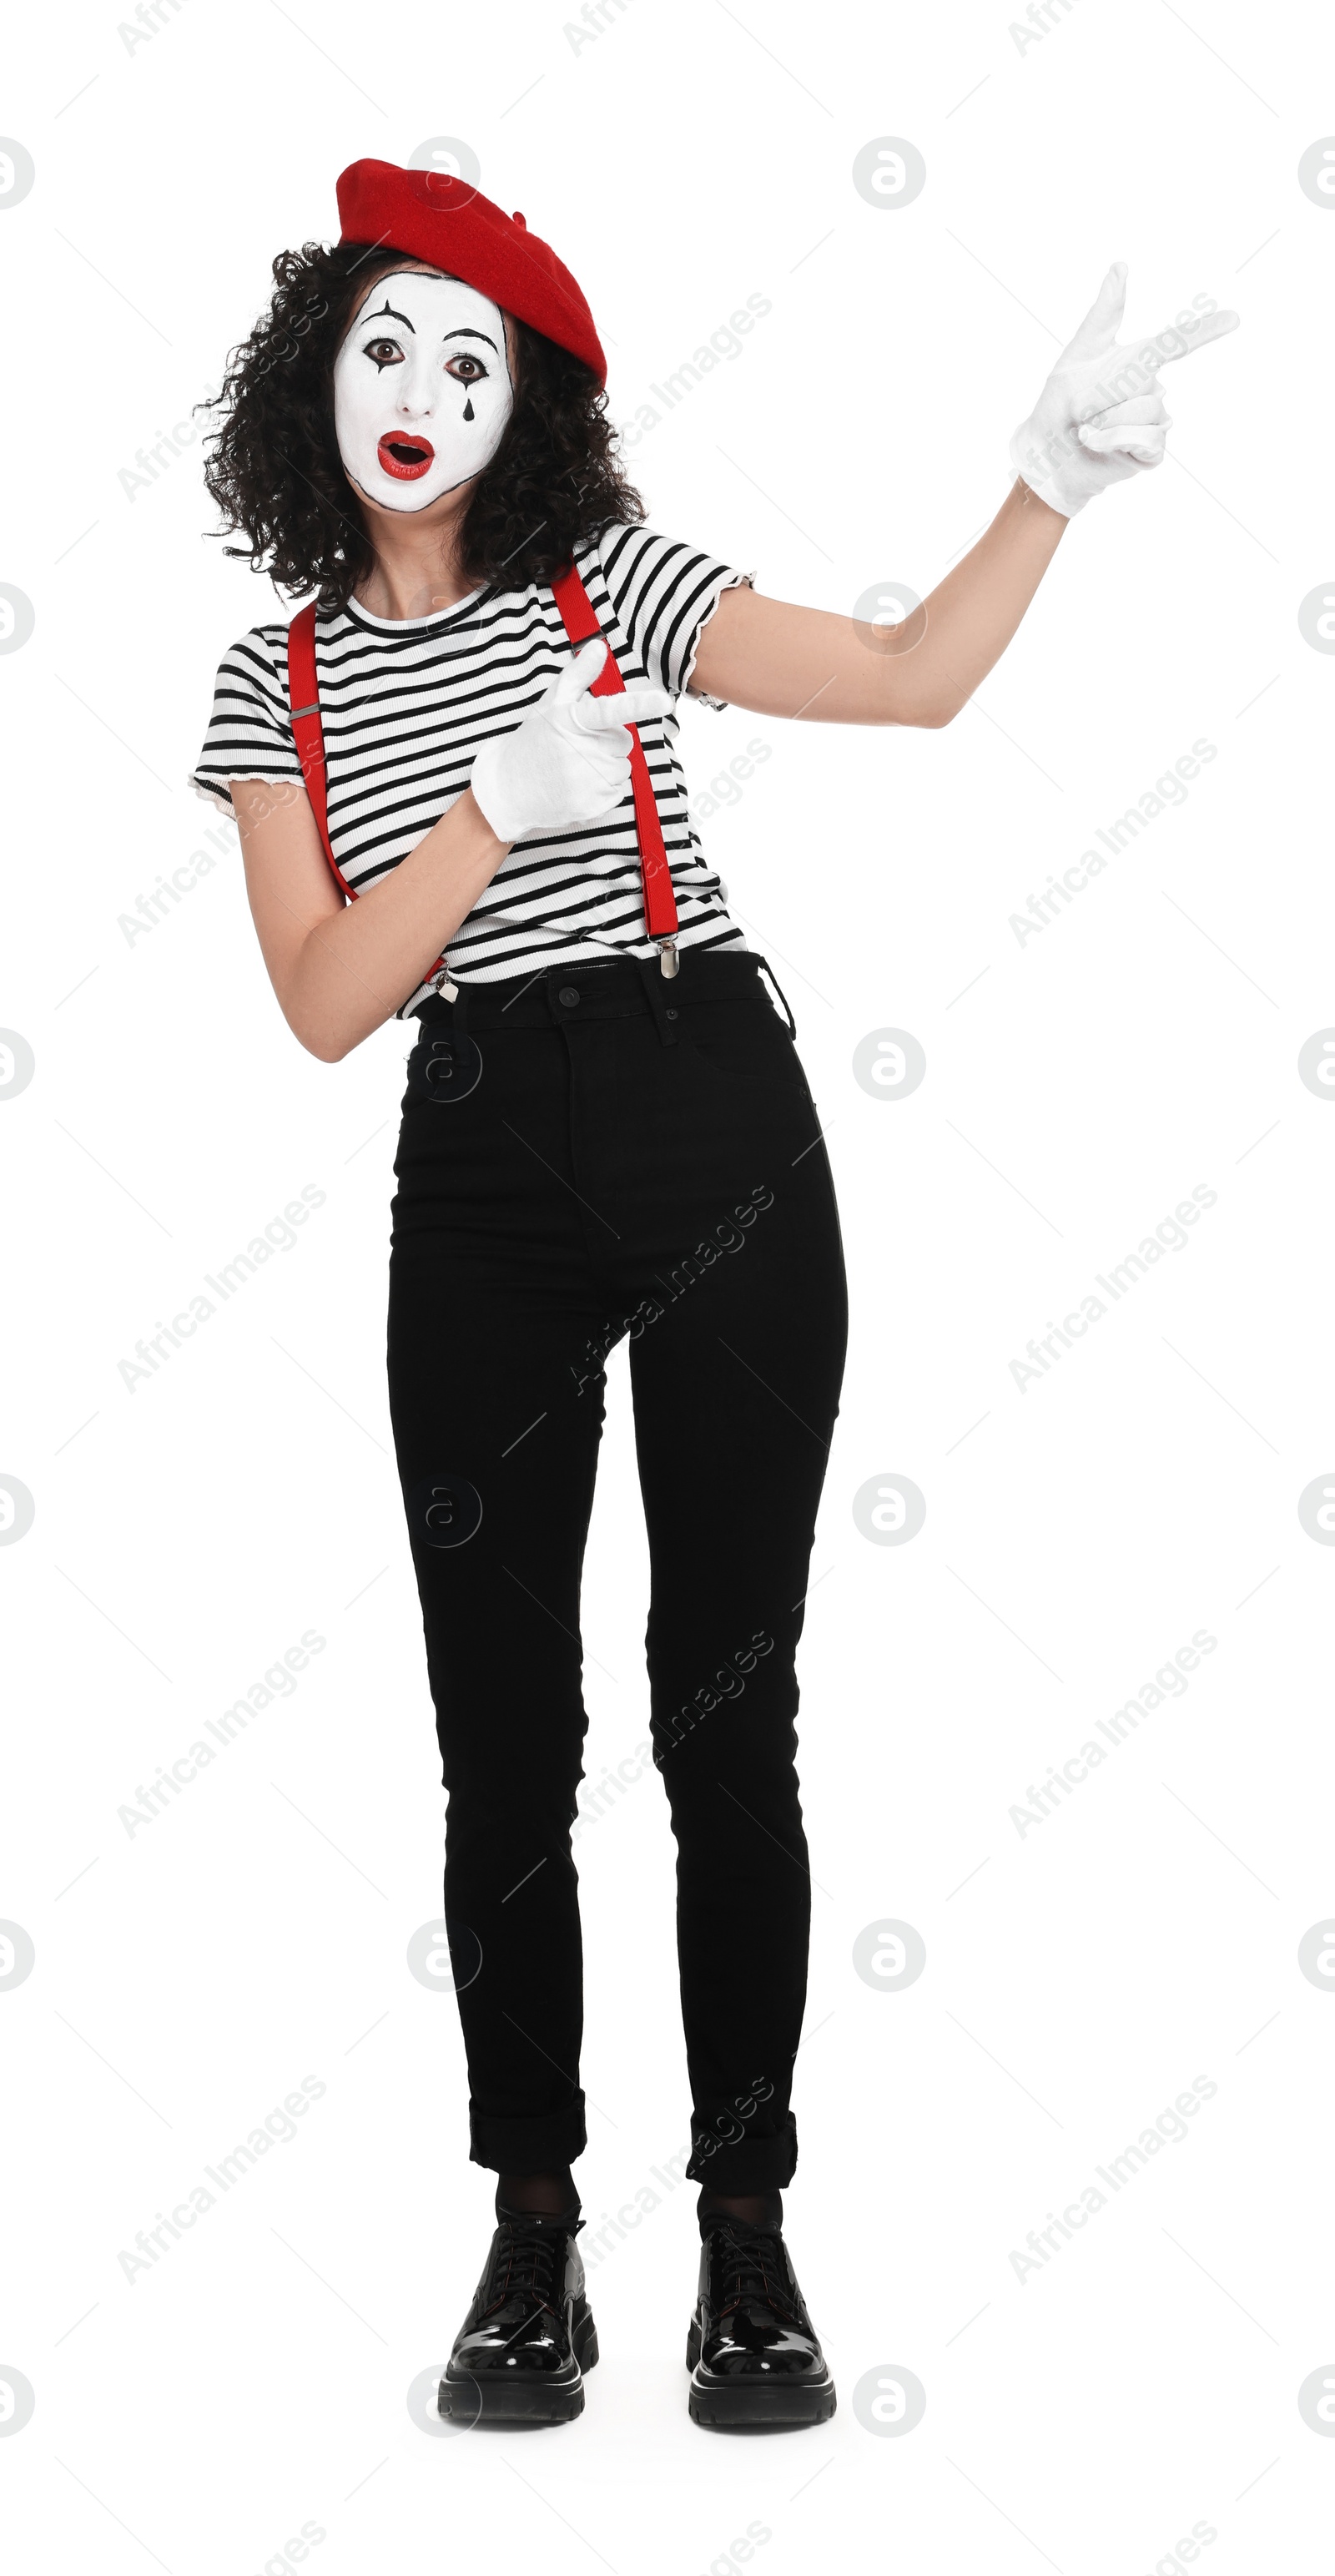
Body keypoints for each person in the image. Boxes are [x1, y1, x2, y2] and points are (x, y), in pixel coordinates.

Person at [190, 157, 1237, 2431]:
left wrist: (1041, 491)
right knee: (504, 1741)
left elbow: (899, 679)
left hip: (709, 1116)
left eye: (473, 358)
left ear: (521, 413)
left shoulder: (608, 579)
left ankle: (747, 2241)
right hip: (475, 1158)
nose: (423, 388)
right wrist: (478, 811)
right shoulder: (272, 682)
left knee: (719, 1710)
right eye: (388, 340)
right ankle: (531, 2236)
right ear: (319, 372)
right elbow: (322, 996)